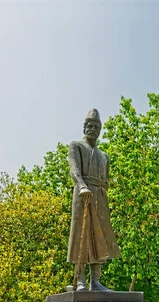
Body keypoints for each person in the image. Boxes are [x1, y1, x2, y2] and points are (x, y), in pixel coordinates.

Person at [67, 108, 120, 291]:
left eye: (96, 126)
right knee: (81, 236)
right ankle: (80, 280)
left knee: (100, 238)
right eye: (89, 125)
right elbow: (74, 170)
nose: (92, 129)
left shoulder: (104, 156)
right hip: (83, 193)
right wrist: (81, 185)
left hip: (100, 197)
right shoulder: (76, 146)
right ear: (84, 127)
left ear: (100, 130)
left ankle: (95, 281)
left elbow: (106, 179)